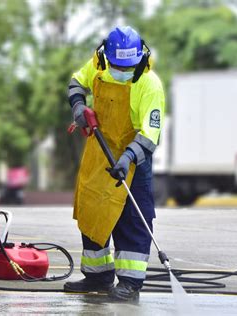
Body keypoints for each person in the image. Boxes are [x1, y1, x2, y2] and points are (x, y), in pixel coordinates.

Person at [64, 26, 165, 301]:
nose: (122, 70)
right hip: (100, 148)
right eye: (118, 65)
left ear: (140, 58)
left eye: (128, 66)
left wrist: (128, 157)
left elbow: (150, 132)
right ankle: (97, 276)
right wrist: (78, 107)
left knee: (132, 217)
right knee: (93, 211)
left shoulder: (149, 84)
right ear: (107, 57)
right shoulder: (98, 65)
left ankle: (130, 282)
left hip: (134, 155)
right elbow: (76, 82)